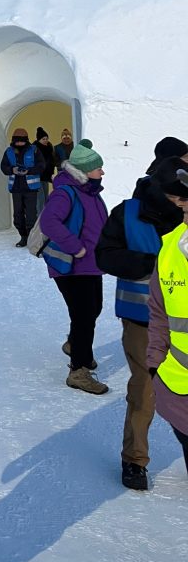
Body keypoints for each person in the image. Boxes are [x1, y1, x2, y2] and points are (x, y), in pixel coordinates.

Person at [95, 141, 188, 490]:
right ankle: (135, 459)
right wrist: (152, 266)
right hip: (141, 319)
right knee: (146, 389)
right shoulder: (128, 212)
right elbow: (104, 255)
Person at [40, 139, 109, 394]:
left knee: (93, 309)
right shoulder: (65, 193)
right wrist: (76, 247)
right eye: (98, 168)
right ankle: (78, 371)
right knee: (84, 315)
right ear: (85, 170)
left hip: (90, 264)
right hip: (71, 265)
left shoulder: (90, 191)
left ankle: (77, 346)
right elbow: (49, 222)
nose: (102, 172)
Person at [146, 157, 188, 477]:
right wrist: (155, 363)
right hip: (178, 388)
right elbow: (160, 313)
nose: (181, 206)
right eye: (179, 200)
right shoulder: (171, 246)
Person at [0, 128, 44, 246]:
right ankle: (23, 237)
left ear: (26, 140)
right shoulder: (8, 151)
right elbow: (3, 167)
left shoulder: (34, 150)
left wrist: (28, 171)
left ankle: (31, 238)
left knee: (31, 216)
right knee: (17, 217)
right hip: (16, 189)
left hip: (31, 189)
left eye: (22, 141)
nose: (19, 143)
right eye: (17, 141)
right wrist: (12, 170)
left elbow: (41, 166)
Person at [34, 126, 56, 209]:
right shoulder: (34, 148)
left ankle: (45, 214)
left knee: (46, 197)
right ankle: (39, 215)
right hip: (37, 176)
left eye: (46, 138)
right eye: (43, 139)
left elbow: (52, 161)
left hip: (46, 176)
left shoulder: (49, 148)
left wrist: (51, 172)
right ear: (38, 140)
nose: (46, 140)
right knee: (40, 198)